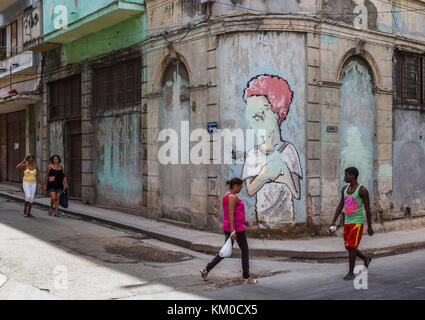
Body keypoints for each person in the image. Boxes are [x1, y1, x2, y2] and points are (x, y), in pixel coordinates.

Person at [201, 178, 258, 284]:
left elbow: (233, 213)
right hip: (236, 229)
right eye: (240, 186)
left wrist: (244, 221)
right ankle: (246, 277)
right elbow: (230, 214)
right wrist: (233, 231)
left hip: (230, 227)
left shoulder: (226, 196)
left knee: (225, 251)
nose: (241, 188)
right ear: (235, 186)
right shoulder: (232, 197)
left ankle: (206, 269)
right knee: (245, 252)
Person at [329, 167, 374, 280]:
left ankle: (351, 272)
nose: (344, 177)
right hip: (347, 222)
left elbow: (368, 209)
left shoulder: (362, 190)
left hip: (357, 223)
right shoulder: (345, 189)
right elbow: (340, 206)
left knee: (352, 247)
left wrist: (369, 226)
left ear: (353, 176)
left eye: (346, 175)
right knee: (349, 247)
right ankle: (365, 259)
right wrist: (334, 221)